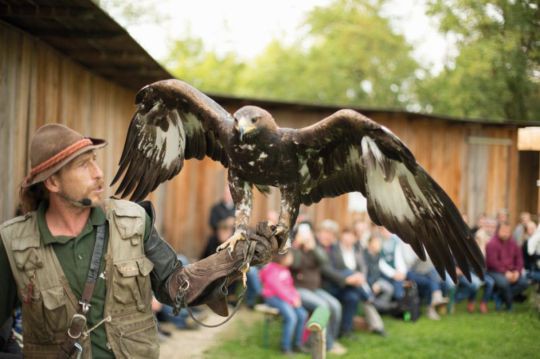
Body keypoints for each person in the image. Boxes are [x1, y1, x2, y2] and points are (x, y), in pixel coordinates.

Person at [0, 124, 280, 359]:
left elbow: (174, 285)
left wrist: (235, 258)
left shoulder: (133, 221)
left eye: (95, 160)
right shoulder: (13, 243)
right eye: (83, 165)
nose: (98, 173)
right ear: (52, 183)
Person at [290, 222, 345, 355]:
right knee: (323, 306)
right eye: (302, 234)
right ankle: (329, 345)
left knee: (336, 306)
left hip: (314, 289)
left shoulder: (314, 249)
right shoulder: (292, 249)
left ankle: (329, 339)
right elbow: (295, 265)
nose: (305, 237)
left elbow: (323, 261)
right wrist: (297, 246)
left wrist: (313, 248)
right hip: (298, 289)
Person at [326, 228, 386, 336]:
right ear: (341, 237)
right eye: (346, 235)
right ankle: (369, 298)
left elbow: (363, 268)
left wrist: (360, 277)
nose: (348, 239)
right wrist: (350, 278)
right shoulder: (334, 250)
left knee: (352, 298)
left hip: (355, 285)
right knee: (349, 272)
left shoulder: (357, 250)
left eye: (351, 236)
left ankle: (346, 330)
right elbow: (332, 271)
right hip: (339, 285)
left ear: (354, 238)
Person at [260, 252, 308, 355]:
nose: (292, 258)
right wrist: (291, 300)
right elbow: (278, 289)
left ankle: (297, 344)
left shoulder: (285, 270)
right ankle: (285, 347)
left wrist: (296, 297)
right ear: (282, 257)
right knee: (291, 317)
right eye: (290, 256)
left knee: (302, 314)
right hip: (272, 297)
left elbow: (290, 287)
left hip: (286, 298)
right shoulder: (271, 269)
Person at [486, 222, 528, 310]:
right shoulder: (492, 243)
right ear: (498, 231)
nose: (506, 233)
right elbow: (492, 262)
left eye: (508, 231)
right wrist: (505, 272)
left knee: (524, 283)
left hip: (512, 271)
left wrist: (517, 271)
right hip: (495, 271)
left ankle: (500, 297)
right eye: (503, 231)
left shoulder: (513, 242)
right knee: (504, 283)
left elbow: (519, 259)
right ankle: (509, 306)